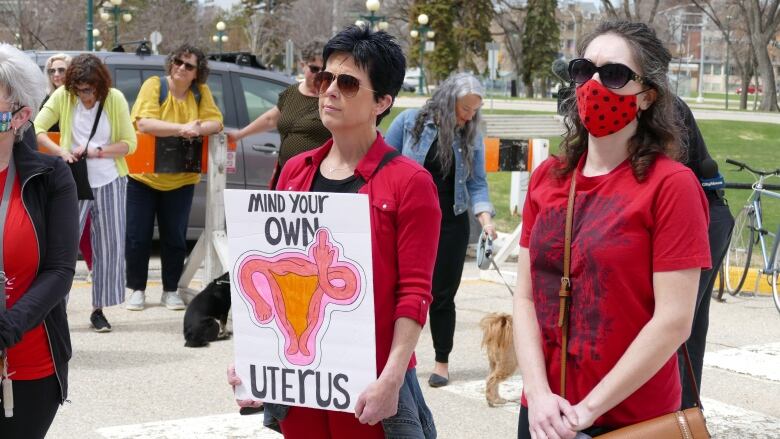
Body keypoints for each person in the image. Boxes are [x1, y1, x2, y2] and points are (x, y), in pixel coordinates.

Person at [228, 26, 440, 439]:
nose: (328, 91)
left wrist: (393, 377)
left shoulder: (409, 182)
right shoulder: (294, 171)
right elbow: (263, 262)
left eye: (347, 83)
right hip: (303, 383)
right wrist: (253, 358)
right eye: (325, 79)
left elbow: (415, 294)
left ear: (383, 101)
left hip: (371, 384)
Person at [512, 21, 711, 438]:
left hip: (629, 419)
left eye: (615, 74)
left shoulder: (672, 186)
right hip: (544, 414)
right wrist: (538, 394)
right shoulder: (547, 177)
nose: (594, 85)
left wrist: (587, 410)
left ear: (646, 96)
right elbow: (527, 298)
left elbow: (674, 320)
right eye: (584, 70)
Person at [385, 72, 496, 387]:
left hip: (451, 223)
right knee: (400, 291)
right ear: (448, 103)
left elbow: (477, 184)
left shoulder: (470, 135)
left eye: (474, 111)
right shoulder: (409, 122)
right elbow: (384, 163)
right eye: (465, 109)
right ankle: (399, 357)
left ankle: (441, 361)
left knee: (442, 296)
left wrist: (486, 220)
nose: (469, 116)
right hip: (410, 221)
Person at [0, 43, 79, 438]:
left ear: (20, 116)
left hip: (27, 368)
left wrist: (8, 327)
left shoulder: (50, 177)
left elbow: (60, 270)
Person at [35, 54, 136, 332]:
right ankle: (57, 308)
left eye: (90, 89)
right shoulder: (63, 97)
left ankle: (98, 309)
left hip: (111, 180)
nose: (85, 95)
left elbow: (130, 144)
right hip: (73, 181)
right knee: (63, 245)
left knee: (108, 247)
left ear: (100, 85)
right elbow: (38, 128)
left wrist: (97, 151)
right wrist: (61, 152)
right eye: (80, 89)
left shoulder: (114, 98)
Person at [125, 44, 223, 311]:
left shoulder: (200, 93)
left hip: (181, 180)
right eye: (178, 61)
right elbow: (144, 123)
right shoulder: (154, 85)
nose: (181, 67)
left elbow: (217, 123)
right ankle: (136, 289)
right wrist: (183, 128)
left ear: (197, 73)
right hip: (143, 178)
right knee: (137, 237)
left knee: (174, 239)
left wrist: (198, 126)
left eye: (189, 65)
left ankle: (170, 290)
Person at [675, 97, 735, 409]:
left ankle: (679, 417)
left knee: (675, 329)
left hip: (705, 216)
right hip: (705, 214)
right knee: (687, 331)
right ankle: (685, 413)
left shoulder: (663, 106)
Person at [227, 39, 331, 189]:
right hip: (286, 173)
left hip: (315, 177)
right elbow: (270, 119)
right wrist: (240, 135)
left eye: (324, 71)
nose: (319, 74)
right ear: (303, 66)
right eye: (314, 69)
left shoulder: (331, 97)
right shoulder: (291, 92)